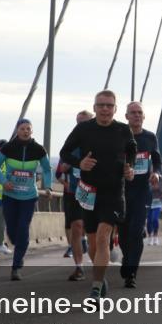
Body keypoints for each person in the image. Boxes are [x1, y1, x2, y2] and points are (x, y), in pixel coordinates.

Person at [59, 90, 136, 298]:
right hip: (88, 192)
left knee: (103, 238)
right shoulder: (83, 129)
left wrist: (130, 168)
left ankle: (95, 286)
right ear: (94, 108)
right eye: (101, 105)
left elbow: (132, 150)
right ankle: (100, 279)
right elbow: (64, 152)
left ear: (115, 109)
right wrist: (79, 162)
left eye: (109, 105)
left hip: (113, 192)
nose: (105, 109)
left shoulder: (122, 130)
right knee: (92, 243)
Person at [0, 119, 52, 281]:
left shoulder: (38, 149)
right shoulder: (8, 147)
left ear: (31, 131)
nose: (26, 131)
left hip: (29, 196)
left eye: (28, 129)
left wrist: (48, 187)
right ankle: (17, 245)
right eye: (22, 128)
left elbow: (47, 169)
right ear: (17, 130)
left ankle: (16, 265)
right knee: (12, 231)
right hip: (10, 195)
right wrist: (4, 182)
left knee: (23, 228)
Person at [119, 101, 162, 288]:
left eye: (139, 112)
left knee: (136, 232)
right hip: (121, 191)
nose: (136, 115)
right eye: (133, 112)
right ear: (126, 116)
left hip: (142, 191)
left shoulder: (150, 137)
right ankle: (127, 259)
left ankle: (131, 272)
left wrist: (157, 173)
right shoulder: (119, 136)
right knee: (123, 233)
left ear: (144, 117)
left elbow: (158, 160)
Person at [57, 110, 93, 281]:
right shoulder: (72, 142)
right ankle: (79, 266)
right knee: (77, 227)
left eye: (84, 122)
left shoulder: (98, 141)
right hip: (74, 191)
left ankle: (100, 258)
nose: (81, 125)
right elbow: (60, 167)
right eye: (78, 122)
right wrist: (64, 168)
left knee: (96, 230)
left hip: (95, 191)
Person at [148, 173, 162, 245]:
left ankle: (155, 237)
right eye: (153, 178)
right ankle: (150, 237)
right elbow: (146, 190)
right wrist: (152, 187)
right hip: (149, 203)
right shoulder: (149, 181)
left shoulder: (161, 180)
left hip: (158, 203)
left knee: (154, 219)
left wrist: (161, 177)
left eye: (155, 178)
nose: (154, 180)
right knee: (149, 221)